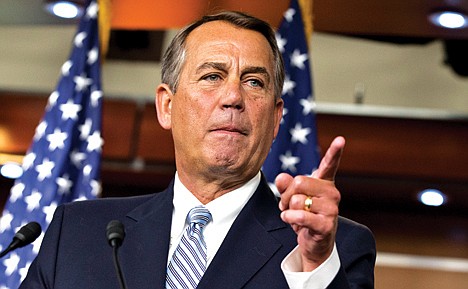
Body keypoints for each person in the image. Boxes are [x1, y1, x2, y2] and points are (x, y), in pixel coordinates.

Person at [20, 11, 376, 289]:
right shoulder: (80, 232)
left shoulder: (334, 249)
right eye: (211, 76)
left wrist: (315, 267)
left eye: (254, 82)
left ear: (276, 117)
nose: (233, 97)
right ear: (167, 106)